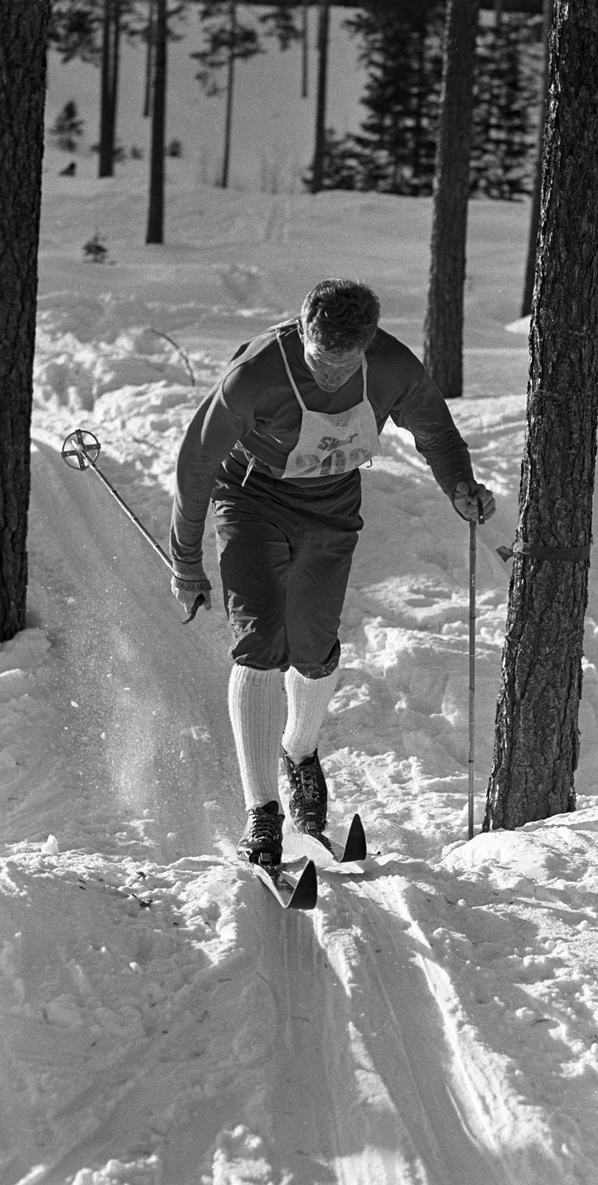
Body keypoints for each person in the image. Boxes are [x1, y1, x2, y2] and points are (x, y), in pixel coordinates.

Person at [169, 279, 495, 867]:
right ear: (302, 332)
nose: (331, 376)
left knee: (314, 646)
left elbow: (435, 431)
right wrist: (186, 562)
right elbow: (195, 466)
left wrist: (459, 485)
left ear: (366, 344)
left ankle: (299, 754)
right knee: (262, 642)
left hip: (331, 502)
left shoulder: (393, 366)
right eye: (320, 360)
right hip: (251, 498)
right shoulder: (257, 375)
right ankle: (262, 813)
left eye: (345, 364)